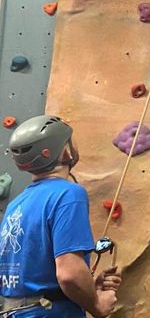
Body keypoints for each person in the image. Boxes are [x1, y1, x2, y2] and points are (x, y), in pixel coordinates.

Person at [0, 115, 120, 317]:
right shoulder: (68, 194)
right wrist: (97, 304)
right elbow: (69, 275)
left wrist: (89, 288)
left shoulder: (15, 206)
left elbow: (33, 275)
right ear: (64, 152)